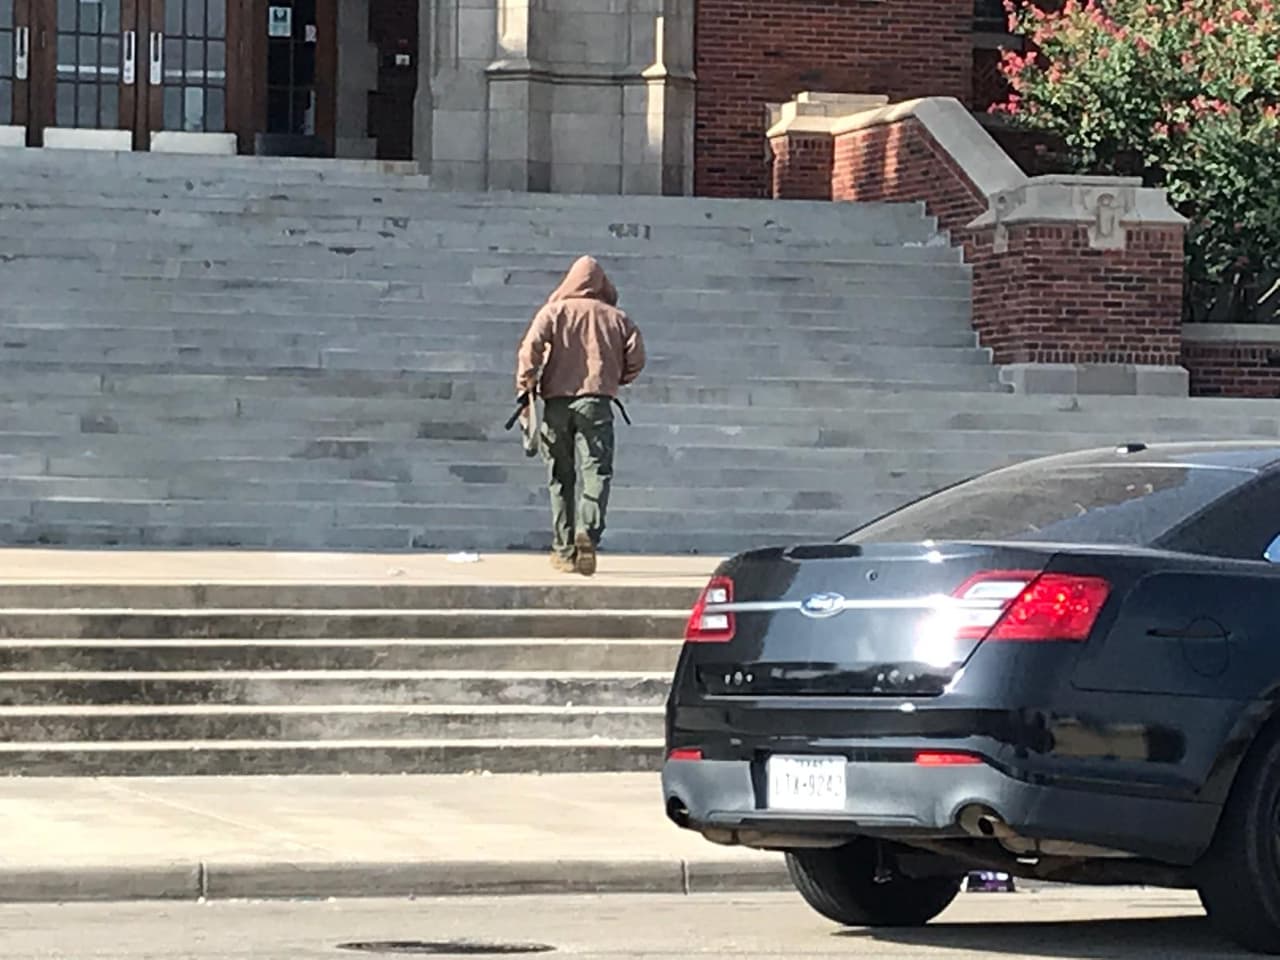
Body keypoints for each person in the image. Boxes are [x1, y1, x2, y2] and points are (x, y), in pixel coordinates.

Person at [515, 256, 646, 576]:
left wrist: (526, 386)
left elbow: (529, 349)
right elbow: (637, 358)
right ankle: (588, 529)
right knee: (597, 471)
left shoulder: (553, 311)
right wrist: (616, 379)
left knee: (561, 475)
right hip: (597, 403)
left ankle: (563, 550)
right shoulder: (618, 318)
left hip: (556, 404)